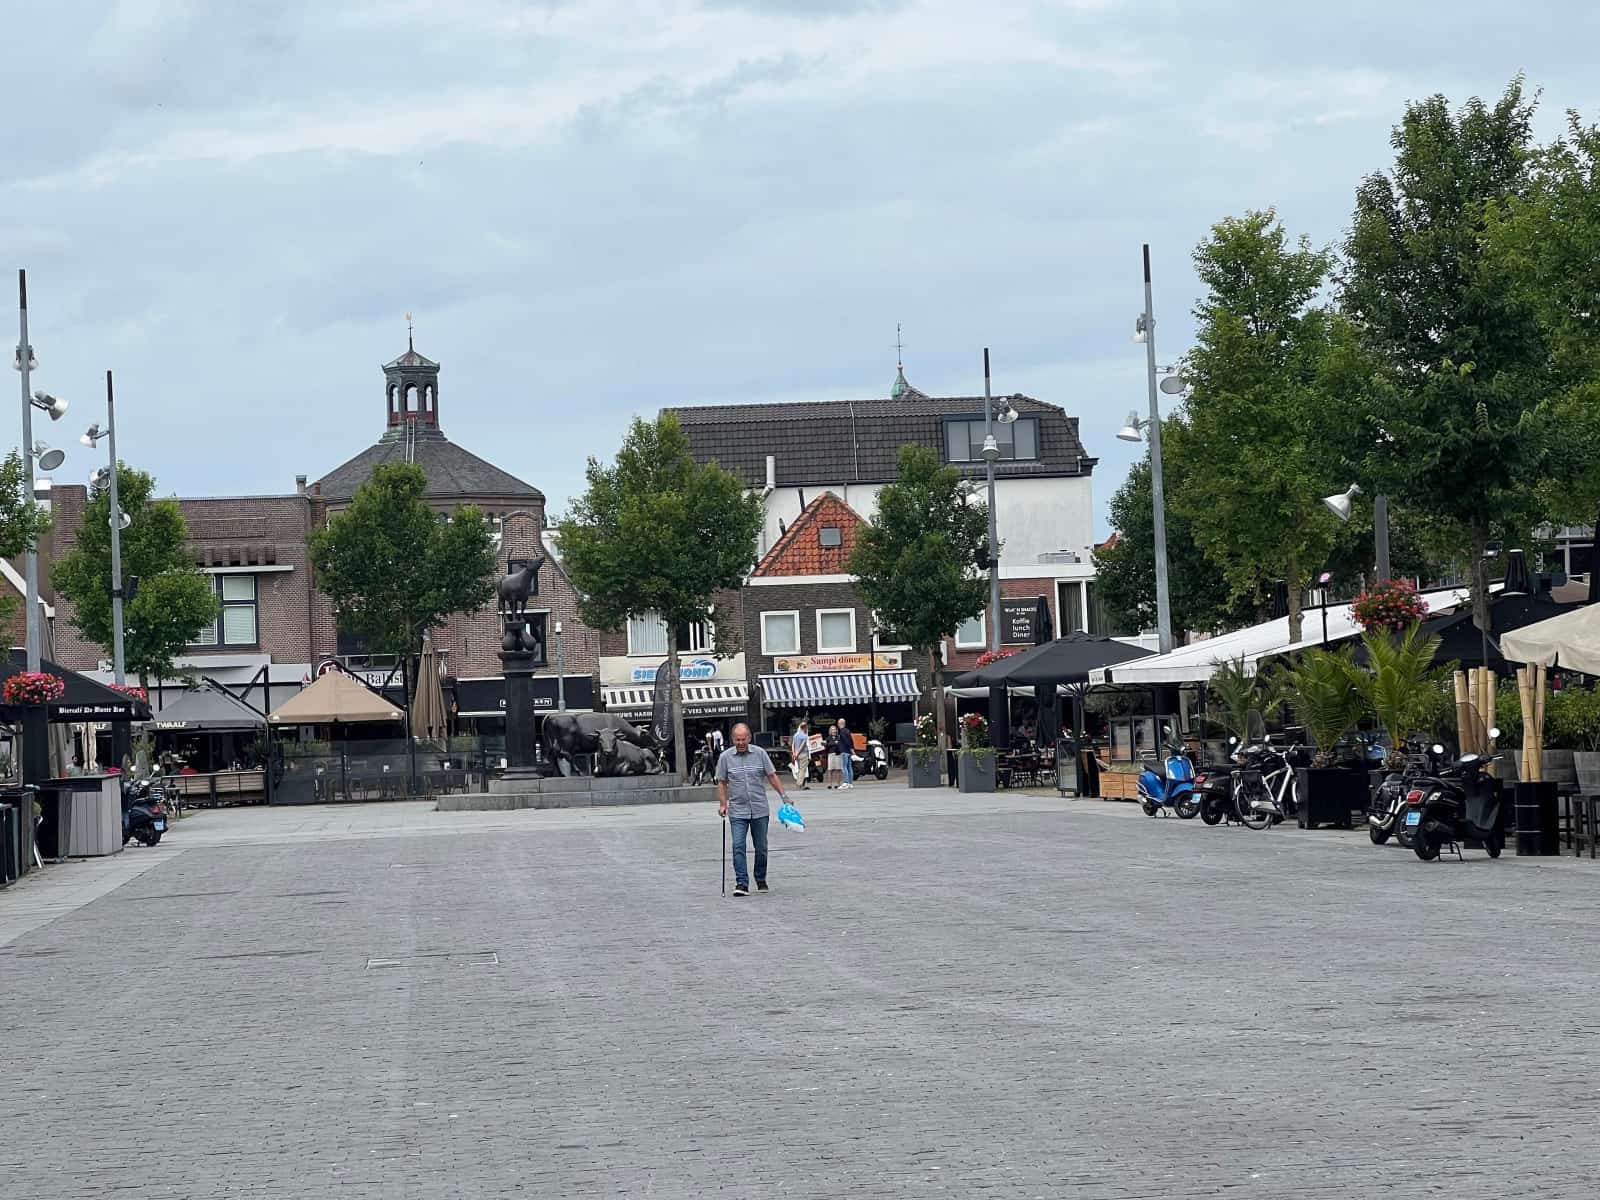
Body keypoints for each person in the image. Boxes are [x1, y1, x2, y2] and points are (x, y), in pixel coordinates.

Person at [716, 723, 792, 897]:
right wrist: (722, 804)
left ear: (749, 738)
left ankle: (760, 878)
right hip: (737, 810)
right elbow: (721, 782)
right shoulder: (725, 757)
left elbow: (772, 776)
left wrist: (784, 796)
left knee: (761, 847)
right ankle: (741, 883)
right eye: (737, 740)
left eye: (744, 739)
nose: (741, 742)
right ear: (733, 739)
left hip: (759, 809)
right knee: (738, 846)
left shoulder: (760, 754)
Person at [790, 719, 811, 789]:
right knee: (803, 769)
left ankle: (798, 783)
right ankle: (799, 783)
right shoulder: (805, 736)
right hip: (803, 754)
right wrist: (797, 753)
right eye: (806, 728)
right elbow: (802, 746)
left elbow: (793, 745)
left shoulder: (795, 735)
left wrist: (794, 754)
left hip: (796, 754)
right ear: (804, 728)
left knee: (799, 769)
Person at [835, 716, 854, 791]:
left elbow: (846, 741)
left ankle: (845, 782)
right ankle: (850, 783)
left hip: (844, 751)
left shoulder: (842, 731)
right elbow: (851, 740)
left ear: (840, 724)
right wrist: (852, 749)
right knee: (849, 767)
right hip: (849, 752)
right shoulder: (848, 731)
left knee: (844, 767)